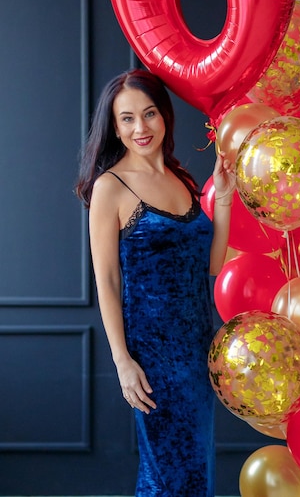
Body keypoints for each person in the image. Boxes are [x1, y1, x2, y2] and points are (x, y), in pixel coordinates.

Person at [75, 69, 234, 496]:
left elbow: (212, 265)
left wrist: (224, 196)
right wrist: (123, 363)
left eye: (148, 114)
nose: (140, 128)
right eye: (126, 119)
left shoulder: (182, 180)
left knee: (197, 470)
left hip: (198, 349)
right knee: (168, 475)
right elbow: (106, 280)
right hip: (152, 358)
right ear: (114, 127)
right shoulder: (111, 187)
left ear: (164, 115)